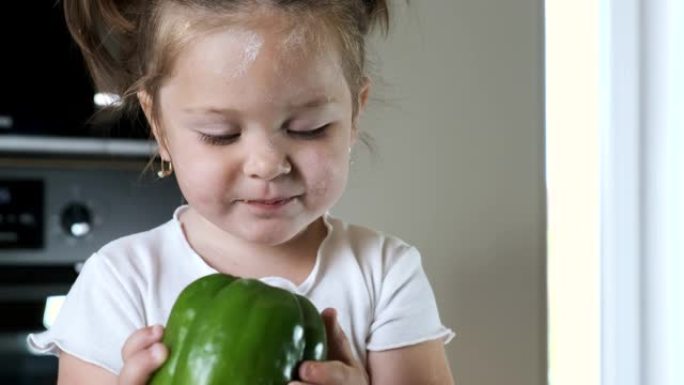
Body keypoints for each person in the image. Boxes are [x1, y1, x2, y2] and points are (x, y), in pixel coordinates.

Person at [28, 1, 455, 384]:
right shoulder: (120, 281)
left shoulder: (384, 274)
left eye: (309, 128)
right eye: (221, 134)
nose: (268, 164)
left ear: (355, 112)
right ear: (157, 124)